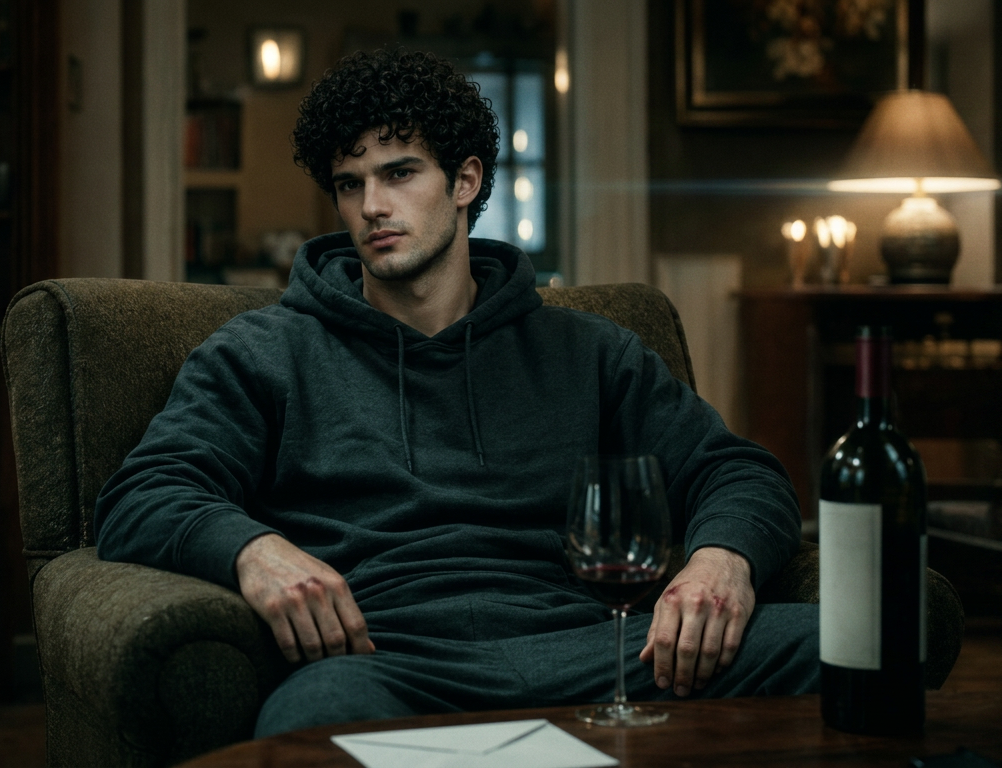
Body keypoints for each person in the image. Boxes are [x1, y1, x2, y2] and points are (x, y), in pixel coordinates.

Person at [95, 48, 818, 738]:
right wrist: (254, 551)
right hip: (385, 662)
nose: (372, 206)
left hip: (604, 652)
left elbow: (738, 470)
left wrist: (722, 560)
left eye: (399, 173)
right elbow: (144, 492)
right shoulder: (262, 353)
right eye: (349, 184)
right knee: (307, 724)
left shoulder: (590, 351)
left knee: (848, 646)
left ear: (465, 181)